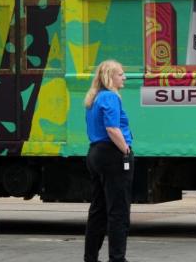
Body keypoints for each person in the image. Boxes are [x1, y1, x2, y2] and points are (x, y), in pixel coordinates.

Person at [84, 60, 134, 262]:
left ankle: (90, 258)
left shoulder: (94, 98)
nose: (124, 77)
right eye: (121, 74)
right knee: (118, 211)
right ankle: (117, 258)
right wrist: (126, 150)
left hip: (95, 154)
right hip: (113, 155)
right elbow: (112, 128)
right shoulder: (111, 97)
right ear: (109, 77)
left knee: (98, 209)